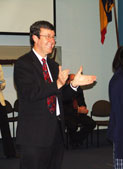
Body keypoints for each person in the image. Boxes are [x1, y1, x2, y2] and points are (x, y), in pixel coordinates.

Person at [13, 20, 96, 169]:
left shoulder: (52, 65)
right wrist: (57, 84)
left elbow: (60, 95)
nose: (52, 41)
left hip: (56, 132)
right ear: (35, 38)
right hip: (34, 136)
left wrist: (73, 85)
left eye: (54, 37)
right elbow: (30, 93)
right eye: (48, 36)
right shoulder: (23, 64)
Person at [63, 74, 96, 147]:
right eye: (73, 80)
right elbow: (64, 108)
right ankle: (75, 141)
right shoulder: (64, 91)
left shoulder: (79, 90)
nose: (75, 82)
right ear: (68, 81)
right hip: (68, 115)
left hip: (78, 114)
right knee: (73, 125)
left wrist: (83, 108)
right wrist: (78, 110)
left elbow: (82, 103)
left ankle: (76, 139)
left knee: (92, 123)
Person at [0, 65, 17, 158]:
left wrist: (1, 85)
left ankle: (10, 153)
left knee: (5, 128)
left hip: (0, 101)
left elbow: (3, 83)